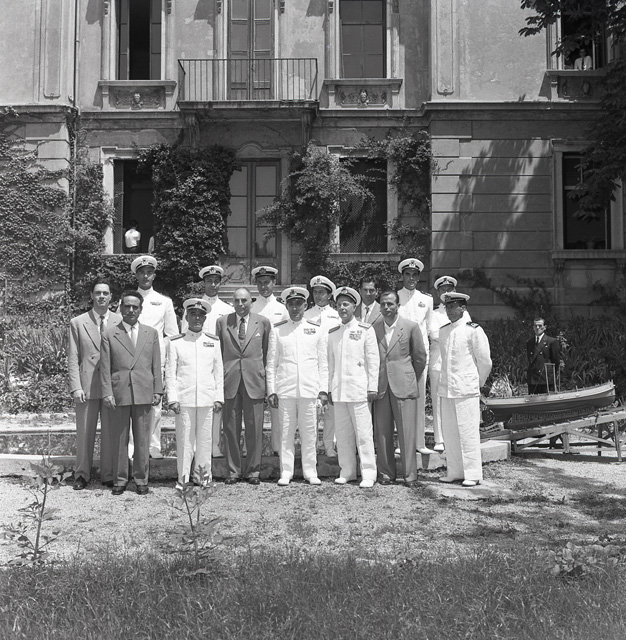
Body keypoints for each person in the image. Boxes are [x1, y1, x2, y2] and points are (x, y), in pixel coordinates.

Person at [100, 290, 163, 495]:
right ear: (120, 308)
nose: (131, 310)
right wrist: (107, 392)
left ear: (140, 309)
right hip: (119, 392)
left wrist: (158, 389)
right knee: (119, 439)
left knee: (143, 439)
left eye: (135, 307)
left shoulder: (150, 333)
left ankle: (141, 479)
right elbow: (105, 367)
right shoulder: (110, 333)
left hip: (144, 391)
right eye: (127, 306)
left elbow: (156, 364)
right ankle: (120, 479)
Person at [267, 286, 328, 486]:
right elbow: (271, 363)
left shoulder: (316, 329)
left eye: (299, 304)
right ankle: (286, 471)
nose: (295, 308)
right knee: (286, 433)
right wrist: (272, 390)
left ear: (305, 306)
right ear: (286, 306)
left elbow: (323, 363)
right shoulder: (277, 330)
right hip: (285, 389)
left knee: (309, 433)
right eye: (291, 304)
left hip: (309, 389)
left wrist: (323, 390)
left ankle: (310, 471)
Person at [67, 278, 122, 490]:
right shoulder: (78, 322)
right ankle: (82, 474)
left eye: (105, 293)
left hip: (110, 386)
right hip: (87, 385)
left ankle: (108, 474)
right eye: (97, 293)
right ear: (91, 295)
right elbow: (73, 357)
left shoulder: (120, 321)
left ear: (111, 297)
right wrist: (76, 386)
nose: (101, 296)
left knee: (110, 432)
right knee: (84, 432)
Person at [166, 298, 224, 489]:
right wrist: (172, 398)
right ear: (186, 317)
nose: (197, 318)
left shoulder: (213, 342)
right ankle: (183, 479)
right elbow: (171, 373)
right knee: (185, 441)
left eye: (200, 315)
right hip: (185, 399)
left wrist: (218, 397)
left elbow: (218, 372)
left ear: (205, 318)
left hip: (207, 398)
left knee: (205, 441)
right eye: (193, 314)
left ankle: (203, 477)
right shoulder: (176, 342)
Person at [216, 288, 271, 485]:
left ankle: (253, 471)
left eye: (244, 300)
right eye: (237, 300)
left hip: (254, 380)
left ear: (251, 302)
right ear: (232, 302)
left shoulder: (262, 322)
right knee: (230, 428)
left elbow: (266, 352)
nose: (240, 304)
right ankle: (233, 470)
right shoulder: (222, 322)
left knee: (254, 428)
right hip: (230, 380)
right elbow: (219, 353)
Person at [372, 291, 426, 486]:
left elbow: (420, 357)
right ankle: (386, 473)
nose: (386, 307)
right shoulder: (373, 328)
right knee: (382, 432)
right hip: (381, 386)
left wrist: (409, 377)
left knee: (407, 432)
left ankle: (410, 475)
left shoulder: (411, 327)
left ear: (398, 306)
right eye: (383, 304)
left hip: (404, 385)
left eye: (390, 304)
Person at [438, 292, 492, 487]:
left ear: (463, 308)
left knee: (468, 432)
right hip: (447, 389)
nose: (450, 310)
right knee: (450, 433)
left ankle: (473, 474)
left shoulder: (473, 330)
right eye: (447, 307)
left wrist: (477, 383)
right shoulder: (443, 331)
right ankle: (454, 471)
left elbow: (484, 361)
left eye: (454, 306)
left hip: (467, 388)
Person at [327, 286, 379, 488]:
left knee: (364, 434)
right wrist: (329, 389)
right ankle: (347, 471)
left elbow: (373, 361)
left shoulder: (365, 330)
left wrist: (372, 387)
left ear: (354, 306)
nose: (342, 308)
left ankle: (368, 473)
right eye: (339, 304)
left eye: (346, 304)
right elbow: (330, 364)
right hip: (340, 391)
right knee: (343, 435)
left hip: (359, 391)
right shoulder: (333, 333)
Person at [181, 264, 234, 457]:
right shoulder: (195, 306)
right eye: (209, 281)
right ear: (203, 283)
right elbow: (184, 336)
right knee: (194, 406)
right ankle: (194, 447)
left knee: (215, 406)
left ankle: (214, 445)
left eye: (216, 281)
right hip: (195, 363)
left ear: (220, 283)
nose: (213, 284)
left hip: (217, 362)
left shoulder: (227, 309)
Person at [131, 255, 178, 459]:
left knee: (155, 405)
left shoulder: (164, 302)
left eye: (149, 273)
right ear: (136, 275)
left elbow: (172, 335)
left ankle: (154, 446)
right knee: (131, 403)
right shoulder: (128, 301)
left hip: (154, 361)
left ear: (154, 275)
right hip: (131, 360)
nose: (145, 276)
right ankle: (132, 446)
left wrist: (165, 357)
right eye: (142, 272)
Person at [429, 275, 471, 453]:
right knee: (438, 401)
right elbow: (433, 334)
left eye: (449, 289)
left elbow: (467, 333)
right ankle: (439, 438)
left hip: (458, 363)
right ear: (438, 292)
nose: (446, 292)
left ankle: (456, 437)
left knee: (458, 400)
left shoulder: (464, 312)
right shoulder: (434, 314)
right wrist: (453, 335)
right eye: (442, 290)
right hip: (438, 362)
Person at [397, 258, 434, 455]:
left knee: (419, 398)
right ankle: (402, 443)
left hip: (420, 354)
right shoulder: (396, 297)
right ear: (402, 276)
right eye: (407, 274)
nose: (411, 278)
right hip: (401, 354)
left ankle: (420, 443)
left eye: (414, 275)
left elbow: (429, 327)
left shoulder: (426, 300)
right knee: (401, 399)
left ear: (418, 277)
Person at [250, 265, 288, 455]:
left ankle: (277, 448)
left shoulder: (282, 308)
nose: (264, 286)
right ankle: (252, 449)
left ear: (274, 283)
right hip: (255, 364)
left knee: (276, 408)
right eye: (260, 283)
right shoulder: (251, 307)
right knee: (253, 409)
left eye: (267, 282)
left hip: (277, 364)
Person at [304, 274, 340, 457]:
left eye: (322, 292)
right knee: (311, 411)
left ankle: (328, 445)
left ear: (329, 294)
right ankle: (311, 447)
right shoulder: (305, 315)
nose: (318, 296)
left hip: (332, 366)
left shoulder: (336, 316)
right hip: (311, 366)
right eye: (315, 292)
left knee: (331, 411)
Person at [526, 317, 560, 394]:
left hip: (546, 379)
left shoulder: (551, 341)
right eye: (535, 326)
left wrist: (552, 375)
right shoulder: (529, 342)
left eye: (540, 325)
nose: (537, 328)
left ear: (545, 327)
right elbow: (530, 360)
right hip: (533, 379)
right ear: (533, 327)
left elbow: (556, 361)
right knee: (533, 401)